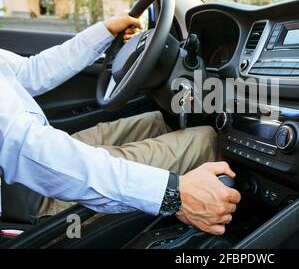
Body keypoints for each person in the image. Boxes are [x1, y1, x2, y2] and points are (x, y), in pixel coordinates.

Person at [0, 15, 241, 235]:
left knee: (156, 122)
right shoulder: (22, 144)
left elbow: (31, 71)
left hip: (31, 154)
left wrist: (104, 32)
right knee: (204, 139)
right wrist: (171, 194)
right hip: (30, 194)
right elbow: (26, 148)